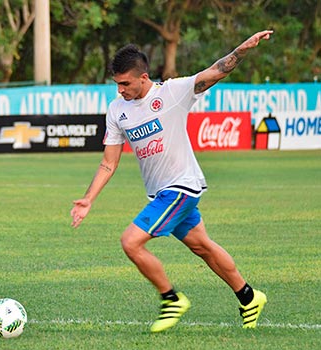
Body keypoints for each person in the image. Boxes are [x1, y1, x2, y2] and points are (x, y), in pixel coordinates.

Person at [70, 30, 273, 332]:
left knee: (130, 242)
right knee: (203, 247)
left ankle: (171, 299)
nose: (120, 90)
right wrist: (89, 199)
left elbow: (216, 70)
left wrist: (242, 49)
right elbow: (108, 163)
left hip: (181, 187)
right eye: (117, 84)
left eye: (125, 83)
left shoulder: (172, 93)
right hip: (160, 194)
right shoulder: (117, 111)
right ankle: (248, 296)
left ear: (143, 77)